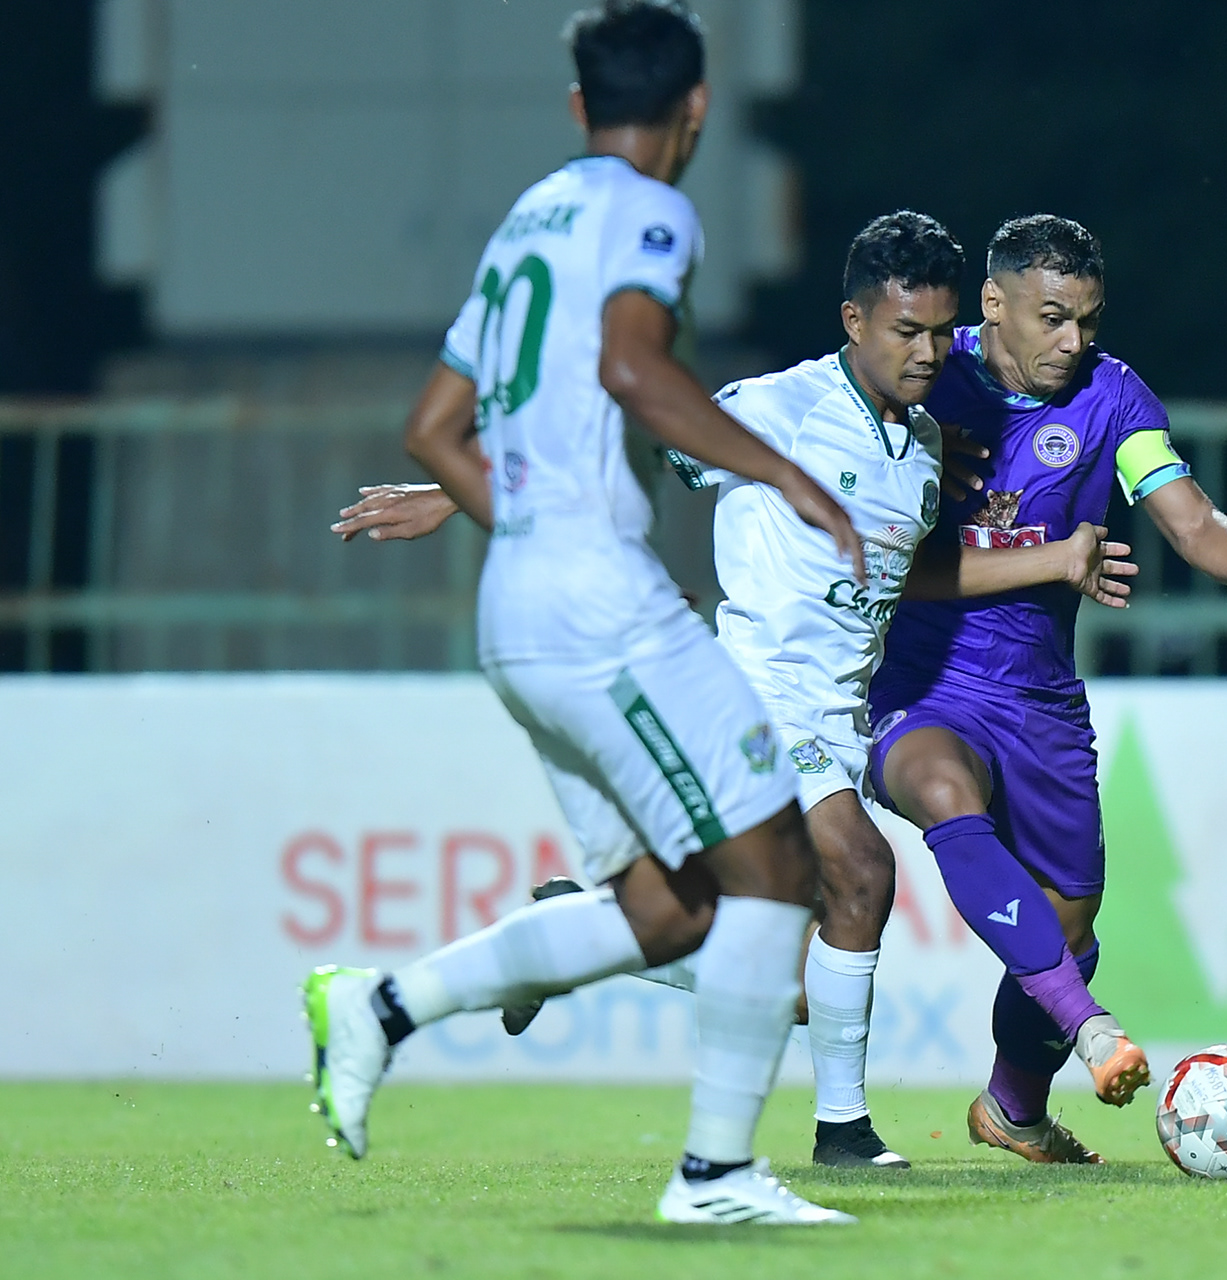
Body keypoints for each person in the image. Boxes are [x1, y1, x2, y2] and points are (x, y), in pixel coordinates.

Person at [335, 211, 1137, 1169]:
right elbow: (622, 450)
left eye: (937, 332)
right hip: (755, 695)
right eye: (904, 332)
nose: (927, 354)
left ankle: (559, 936)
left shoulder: (927, 443)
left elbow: (918, 573)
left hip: (836, 713)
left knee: (793, 976)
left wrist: (1043, 556)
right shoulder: (778, 407)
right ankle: (843, 1134)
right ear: (854, 321)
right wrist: (449, 493)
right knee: (864, 871)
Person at [302, 1, 862, 1226]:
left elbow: (432, 429)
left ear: (577, 106)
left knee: (670, 906)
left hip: (516, 607)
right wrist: (785, 472)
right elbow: (630, 366)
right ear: (697, 107)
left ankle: (381, 1006)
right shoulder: (651, 210)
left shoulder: (528, 219)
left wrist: (533, 525)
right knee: (778, 863)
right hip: (602, 604)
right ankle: (717, 1174)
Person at [869, 213, 1227, 1165]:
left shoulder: (1112, 399)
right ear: (994, 304)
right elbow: (879, 549)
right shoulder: (925, 374)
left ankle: (1013, 1110)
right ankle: (1091, 1028)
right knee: (943, 789)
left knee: (1068, 926)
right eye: (1053, 318)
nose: (1073, 340)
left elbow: (1189, 517)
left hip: (1040, 701)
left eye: (1089, 320)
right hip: (927, 680)